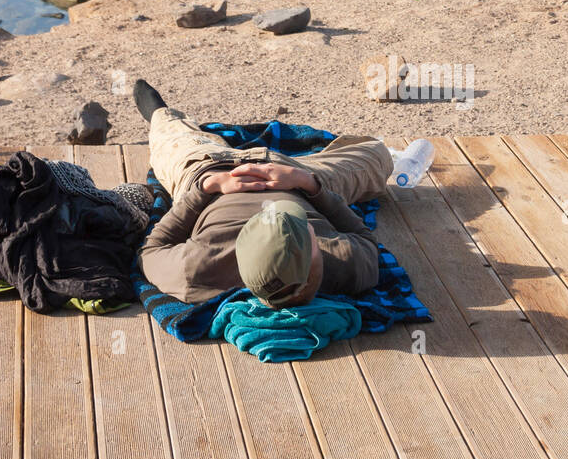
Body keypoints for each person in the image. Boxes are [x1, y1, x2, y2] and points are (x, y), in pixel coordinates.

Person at [131, 79, 391, 309]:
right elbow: (364, 238)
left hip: (214, 170)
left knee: (170, 140)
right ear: (315, 254)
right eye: (298, 226)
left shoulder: (197, 270)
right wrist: (310, 185)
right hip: (294, 178)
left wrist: (206, 187)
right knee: (376, 156)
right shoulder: (343, 264)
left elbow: (151, 249)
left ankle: (159, 113)